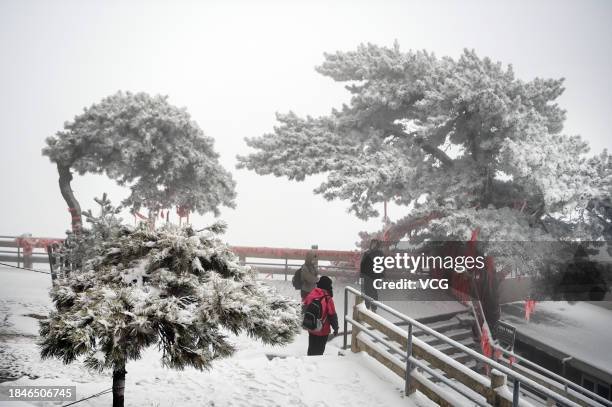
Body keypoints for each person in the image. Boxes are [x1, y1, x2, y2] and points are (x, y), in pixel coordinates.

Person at [303, 276, 339, 356]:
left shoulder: (312, 294)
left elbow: (304, 307)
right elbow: (332, 315)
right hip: (323, 329)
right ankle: (317, 365)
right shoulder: (327, 298)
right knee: (319, 352)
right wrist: (336, 328)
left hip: (311, 327)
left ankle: (308, 363)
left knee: (311, 348)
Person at [360, 239, 384, 312]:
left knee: (374, 292)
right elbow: (363, 265)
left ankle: (374, 308)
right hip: (367, 276)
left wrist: (381, 276)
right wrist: (361, 276)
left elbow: (382, 265)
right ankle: (367, 307)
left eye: (375, 244)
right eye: (373, 243)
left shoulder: (380, 253)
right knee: (367, 291)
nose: (374, 245)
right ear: (371, 244)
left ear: (377, 245)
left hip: (375, 276)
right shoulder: (366, 253)